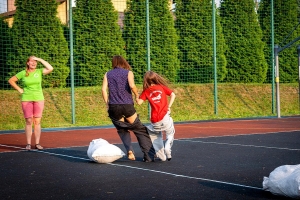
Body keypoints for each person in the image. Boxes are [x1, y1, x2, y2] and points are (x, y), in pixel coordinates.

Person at [101, 55, 156, 162]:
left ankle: (129, 150)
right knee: (139, 129)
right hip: (127, 105)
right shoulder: (128, 73)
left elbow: (103, 90)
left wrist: (107, 104)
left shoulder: (107, 74)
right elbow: (131, 85)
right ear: (123, 62)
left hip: (114, 106)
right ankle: (148, 156)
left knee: (122, 130)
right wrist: (136, 94)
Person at [8, 56, 54, 150]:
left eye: (35, 62)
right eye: (32, 62)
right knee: (29, 121)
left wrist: (40, 59)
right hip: (27, 98)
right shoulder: (23, 73)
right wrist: (19, 89)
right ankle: (28, 144)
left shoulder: (39, 71)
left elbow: (50, 68)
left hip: (39, 98)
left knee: (37, 121)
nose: (34, 63)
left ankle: (37, 143)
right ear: (28, 63)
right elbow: (11, 80)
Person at [137, 71, 176, 161]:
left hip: (155, 120)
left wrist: (136, 96)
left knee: (155, 135)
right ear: (156, 78)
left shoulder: (146, 91)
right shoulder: (162, 87)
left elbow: (139, 102)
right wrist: (169, 106)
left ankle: (162, 156)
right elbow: (173, 95)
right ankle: (168, 148)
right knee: (170, 133)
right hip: (165, 116)